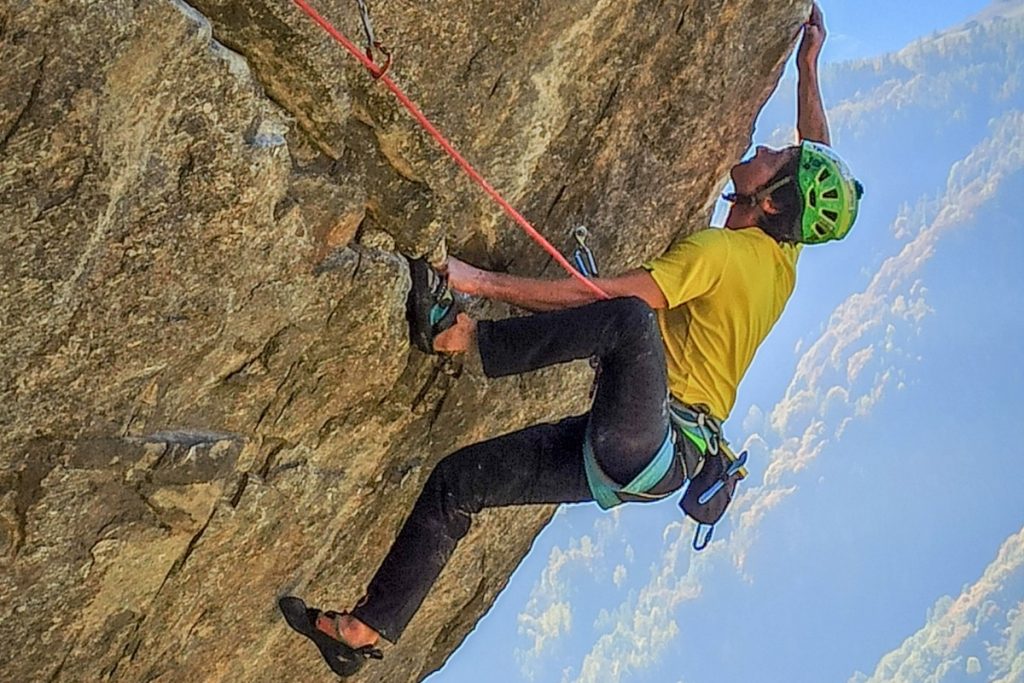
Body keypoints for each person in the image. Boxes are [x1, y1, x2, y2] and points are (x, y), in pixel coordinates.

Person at [280, 3, 864, 676]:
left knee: (626, 318)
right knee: (457, 481)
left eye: (772, 160)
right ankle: (358, 630)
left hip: (651, 436)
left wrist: (480, 282)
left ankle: (459, 335)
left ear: (767, 204)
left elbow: (605, 300)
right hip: (642, 456)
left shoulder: (722, 255)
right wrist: (807, 68)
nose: (761, 150)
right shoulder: (781, 253)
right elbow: (822, 155)